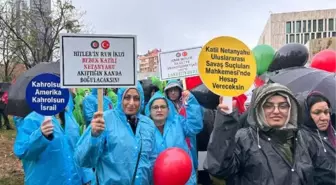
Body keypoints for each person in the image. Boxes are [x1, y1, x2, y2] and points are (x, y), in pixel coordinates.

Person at [204, 83, 314, 185]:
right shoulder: (244, 138)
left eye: (283, 106)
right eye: (268, 105)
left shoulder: (302, 138)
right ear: (258, 109)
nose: (276, 111)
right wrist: (225, 121)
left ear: (291, 109)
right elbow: (219, 169)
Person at [75, 82, 156, 185]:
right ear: (120, 97)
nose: (131, 103)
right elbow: (83, 160)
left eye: (136, 98)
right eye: (127, 97)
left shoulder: (148, 124)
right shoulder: (104, 120)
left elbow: (152, 159)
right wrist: (93, 137)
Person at [13, 93, 94, 185]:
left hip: (73, 180)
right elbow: (22, 151)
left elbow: (78, 149)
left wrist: (87, 176)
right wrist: (41, 135)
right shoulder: (33, 119)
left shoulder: (69, 117)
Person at [145, 92, 203, 184]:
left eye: (163, 107)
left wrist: (190, 102)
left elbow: (195, 127)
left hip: (184, 179)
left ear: (168, 110)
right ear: (150, 111)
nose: (159, 110)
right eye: (155, 107)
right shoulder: (144, 130)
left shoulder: (178, 122)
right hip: (158, 180)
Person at [297, 91, 336, 185]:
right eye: (317, 113)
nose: (324, 118)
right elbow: (305, 175)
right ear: (307, 115)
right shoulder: (302, 137)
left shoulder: (331, 132)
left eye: (326, 112)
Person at [164, 79, 201, 172]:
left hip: (189, 140)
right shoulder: (164, 106)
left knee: (189, 164)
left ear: (180, 91)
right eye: (170, 90)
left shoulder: (187, 103)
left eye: (175, 90)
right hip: (173, 142)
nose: (172, 92)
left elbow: (196, 120)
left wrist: (190, 102)